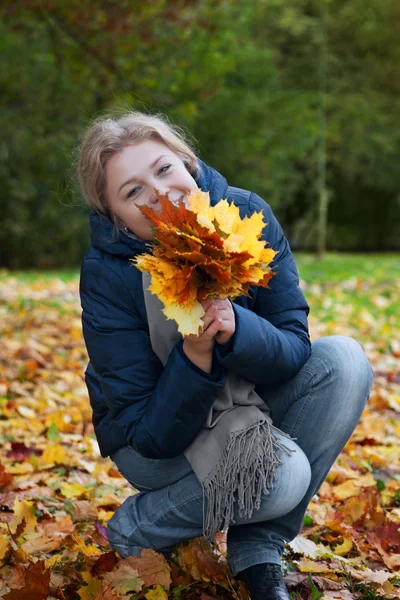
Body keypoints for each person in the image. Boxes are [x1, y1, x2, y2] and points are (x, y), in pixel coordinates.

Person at [77, 111, 374, 600]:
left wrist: (237, 332)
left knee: (344, 360)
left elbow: (293, 346)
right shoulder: (108, 273)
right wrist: (195, 355)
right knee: (282, 476)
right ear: (115, 217)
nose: (160, 193)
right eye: (132, 192)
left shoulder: (244, 215)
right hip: (155, 442)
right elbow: (149, 434)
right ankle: (140, 526)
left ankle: (257, 548)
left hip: (251, 397)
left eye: (164, 169)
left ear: (187, 163)